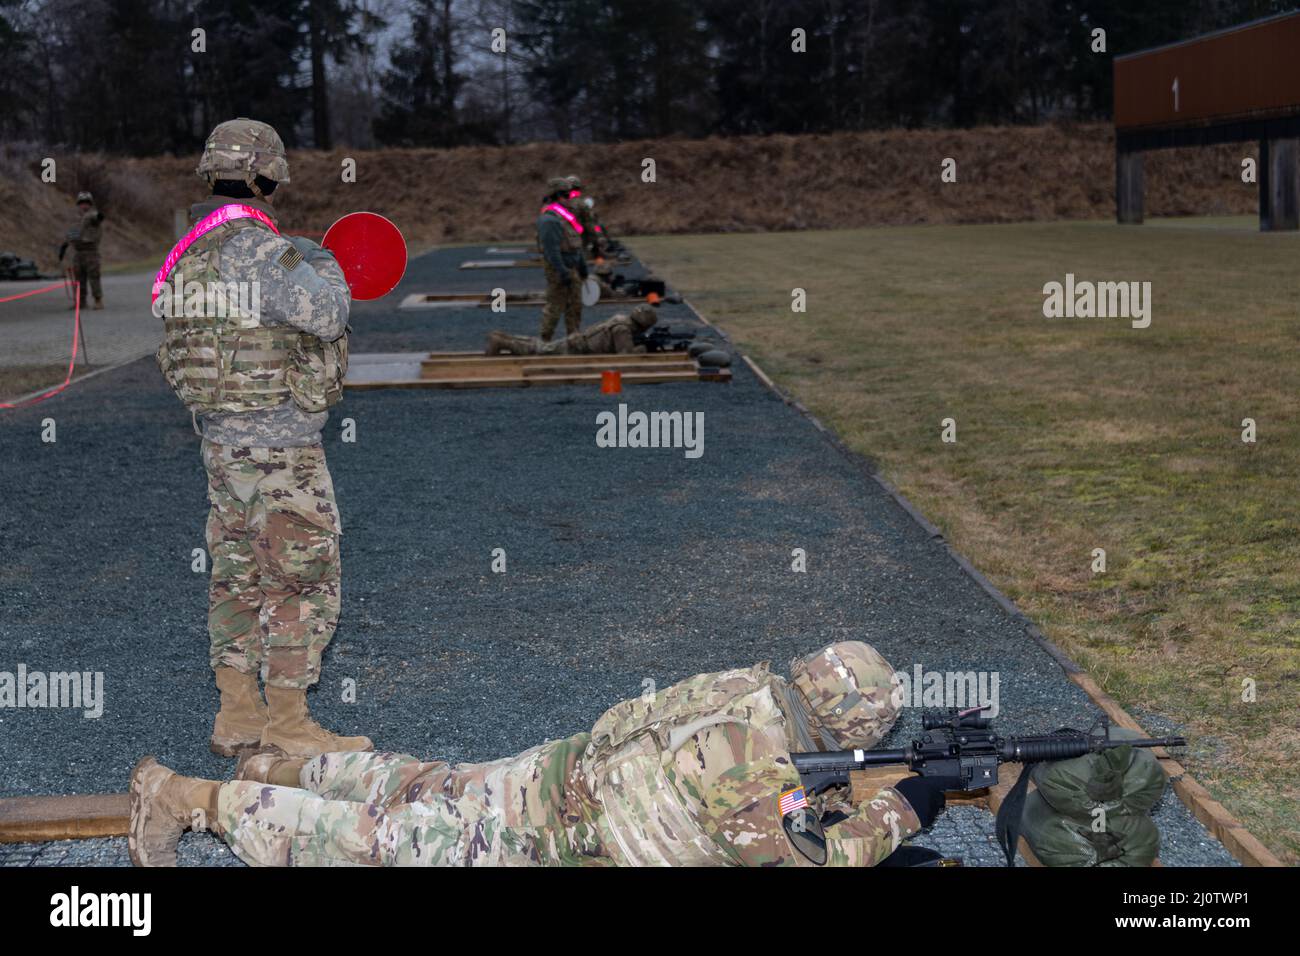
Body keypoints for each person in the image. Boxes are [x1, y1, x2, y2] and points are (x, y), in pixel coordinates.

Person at [128, 640, 956, 867]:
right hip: (552, 845)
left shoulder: (749, 689)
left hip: (554, 778)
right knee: (380, 845)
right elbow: (804, 858)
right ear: (852, 728)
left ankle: (270, 765)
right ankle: (185, 799)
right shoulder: (758, 760)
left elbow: (770, 798)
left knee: (413, 782)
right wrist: (902, 809)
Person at [153, 117, 372, 760]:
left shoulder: (188, 254)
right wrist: (323, 263)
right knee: (300, 576)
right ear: (264, 174)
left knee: (237, 575)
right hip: (280, 448)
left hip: (220, 446)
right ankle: (288, 724)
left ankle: (237, 714)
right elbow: (327, 313)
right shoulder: (258, 248)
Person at [484, 304, 658, 356]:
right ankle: (502, 341)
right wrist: (643, 349)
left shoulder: (621, 319)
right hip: (577, 347)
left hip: (578, 343)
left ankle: (504, 338)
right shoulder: (623, 329)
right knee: (542, 351)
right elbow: (625, 356)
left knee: (545, 347)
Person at [536, 176, 587, 341]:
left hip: (571, 268)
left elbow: (575, 244)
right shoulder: (549, 220)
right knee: (555, 307)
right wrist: (562, 271)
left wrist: (581, 265)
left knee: (575, 306)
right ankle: (544, 340)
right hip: (559, 270)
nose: (570, 199)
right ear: (556, 197)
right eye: (566, 196)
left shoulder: (566, 218)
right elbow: (552, 251)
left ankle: (573, 338)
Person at [63, 191, 104, 310]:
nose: (84, 205)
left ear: (90, 204)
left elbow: (97, 218)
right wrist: (65, 244)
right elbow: (73, 233)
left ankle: (98, 300)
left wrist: (99, 216)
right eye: (81, 203)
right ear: (78, 204)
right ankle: (81, 301)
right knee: (79, 278)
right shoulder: (77, 219)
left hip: (91, 252)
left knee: (94, 277)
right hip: (78, 252)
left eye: (86, 203)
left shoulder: (92, 216)